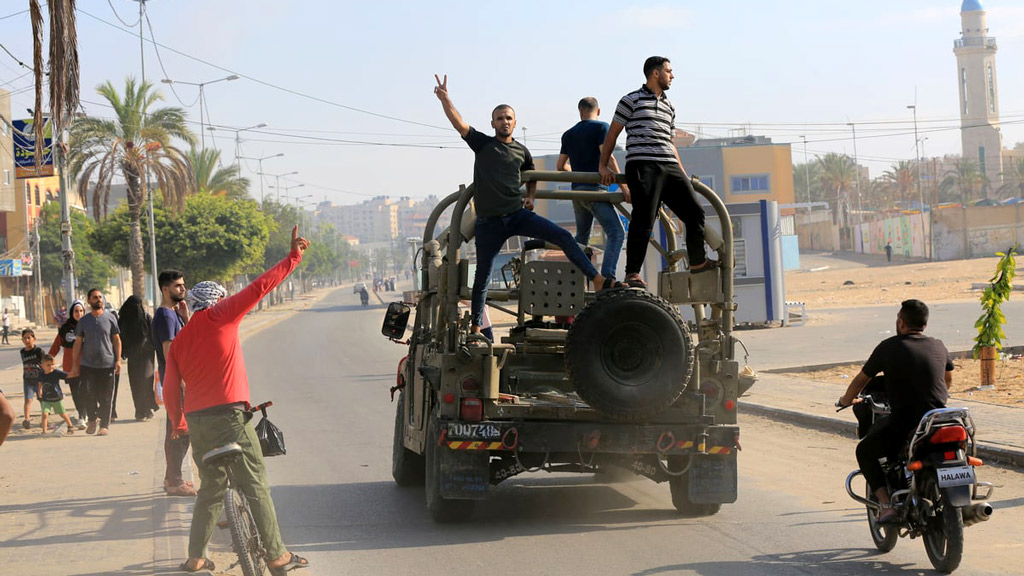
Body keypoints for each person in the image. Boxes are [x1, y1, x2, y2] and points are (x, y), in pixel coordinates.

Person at [164, 226, 311, 575]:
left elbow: (170, 386)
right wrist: (293, 257)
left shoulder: (181, 340)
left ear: (191, 305)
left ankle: (195, 559)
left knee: (210, 491)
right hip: (232, 417)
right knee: (255, 483)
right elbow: (261, 286)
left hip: (198, 423)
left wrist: (178, 424)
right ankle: (277, 556)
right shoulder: (222, 314)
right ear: (217, 300)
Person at [433, 74, 610, 334]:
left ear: (515, 123)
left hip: (517, 215)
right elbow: (459, 124)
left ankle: (596, 278)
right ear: (492, 123)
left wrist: (530, 196)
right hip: (488, 223)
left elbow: (532, 175)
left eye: (508, 118)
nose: (504, 121)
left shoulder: (521, 151)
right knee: (481, 275)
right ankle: (476, 327)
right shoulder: (483, 144)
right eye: (500, 118)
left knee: (563, 235)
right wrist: (446, 99)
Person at [599, 56, 716, 288]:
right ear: (655, 73)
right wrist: (603, 165)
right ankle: (632, 272)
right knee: (644, 218)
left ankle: (696, 260)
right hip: (643, 165)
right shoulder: (630, 100)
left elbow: (670, 143)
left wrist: (682, 174)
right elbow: (612, 135)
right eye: (669, 71)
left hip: (669, 167)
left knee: (695, 212)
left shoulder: (669, 106)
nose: (672, 76)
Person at [837, 299, 953, 524]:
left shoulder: (888, 347)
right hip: (938, 420)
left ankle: (887, 504)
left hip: (905, 422)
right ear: (924, 325)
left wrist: (846, 400)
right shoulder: (938, 345)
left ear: (901, 322)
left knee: (865, 450)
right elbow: (947, 379)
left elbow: (861, 380)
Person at [558, 96, 628, 281]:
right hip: (595, 191)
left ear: (580, 111)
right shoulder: (601, 127)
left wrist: (577, 172)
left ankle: (576, 282)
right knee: (616, 232)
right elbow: (609, 157)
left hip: (577, 192)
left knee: (581, 238)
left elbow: (560, 166)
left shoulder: (568, 134)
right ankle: (607, 277)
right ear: (598, 111)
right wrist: (624, 187)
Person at [153, 269, 197, 498]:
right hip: (176, 380)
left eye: (183, 284)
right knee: (180, 430)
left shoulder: (173, 314)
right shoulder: (166, 316)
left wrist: (186, 318)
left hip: (177, 379)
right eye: (178, 286)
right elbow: (171, 352)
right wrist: (182, 383)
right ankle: (174, 480)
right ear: (165, 289)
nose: (183, 289)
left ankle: (171, 477)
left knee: (177, 430)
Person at [68, 288, 122, 436]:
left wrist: (118, 360)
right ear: (89, 301)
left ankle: (104, 425)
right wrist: (74, 365)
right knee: (87, 393)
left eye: (100, 297)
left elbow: (116, 340)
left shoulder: (110, 318)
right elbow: (77, 343)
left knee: (106, 396)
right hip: (88, 364)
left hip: (107, 363)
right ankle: (92, 420)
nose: (98, 299)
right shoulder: (84, 321)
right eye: (95, 297)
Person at [118, 295, 159, 421]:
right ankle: (140, 411)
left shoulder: (146, 318)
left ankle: (147, 407)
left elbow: (154, 335)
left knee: (146, 381)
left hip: (147, 355)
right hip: (133, 356)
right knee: (135, 384)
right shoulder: (123, 321)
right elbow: (119, 338)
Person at [49, 300, 87, 429]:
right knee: (75, 391)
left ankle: (85, 413)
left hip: (86, 364)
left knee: (85, 390)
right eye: (76, 311)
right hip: (70, 365)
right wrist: (49, 359)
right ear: (72, 312)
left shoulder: (89, 325)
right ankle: (82, 415)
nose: (79, 313)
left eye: (81, 311)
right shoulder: (65, 328)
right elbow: (56, 345)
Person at [36, 354, 75, 436]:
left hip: (57, 398)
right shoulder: (41, 374)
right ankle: (44, 431)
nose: (51, 367)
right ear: (42, 366)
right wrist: (39, 390)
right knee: (45, 414)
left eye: (52, 364)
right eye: (48, 365)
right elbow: (40, 382)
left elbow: (67, 375)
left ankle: (70, 425)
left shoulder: (56, 373)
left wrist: (76, 373)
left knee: (62, 413)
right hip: (46, 399)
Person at [20, 328, 44, 429]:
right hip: (28, 380)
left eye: (29, 338)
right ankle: (27, 419)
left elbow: (43, 365)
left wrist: (43, 382)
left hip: (39, 380)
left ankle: (44, 419)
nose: (27, 340)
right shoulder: (22, 352)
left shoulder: (38, 351)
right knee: (28, 400)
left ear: (34, 338)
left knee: (42, 400)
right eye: (24, 338)